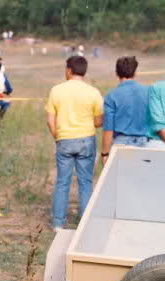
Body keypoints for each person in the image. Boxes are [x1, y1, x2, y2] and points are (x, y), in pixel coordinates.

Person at [45, 56, 103, 231]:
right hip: (86, 139)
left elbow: (50, 120)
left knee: (63, 182)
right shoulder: (93, 92)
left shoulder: (56, 90)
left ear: (69, 70)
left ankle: (58, 223)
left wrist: (58, 136)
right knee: (85, 182)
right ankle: (84, 223)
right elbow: (99, 121)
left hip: (64, 139)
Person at [100, 56, 149, 165]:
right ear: (135, 72)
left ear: (117, 73)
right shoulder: (148, 92)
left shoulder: (111, 96)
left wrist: (105, 153)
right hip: (144, 142)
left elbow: (108, 129)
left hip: (121, 144)